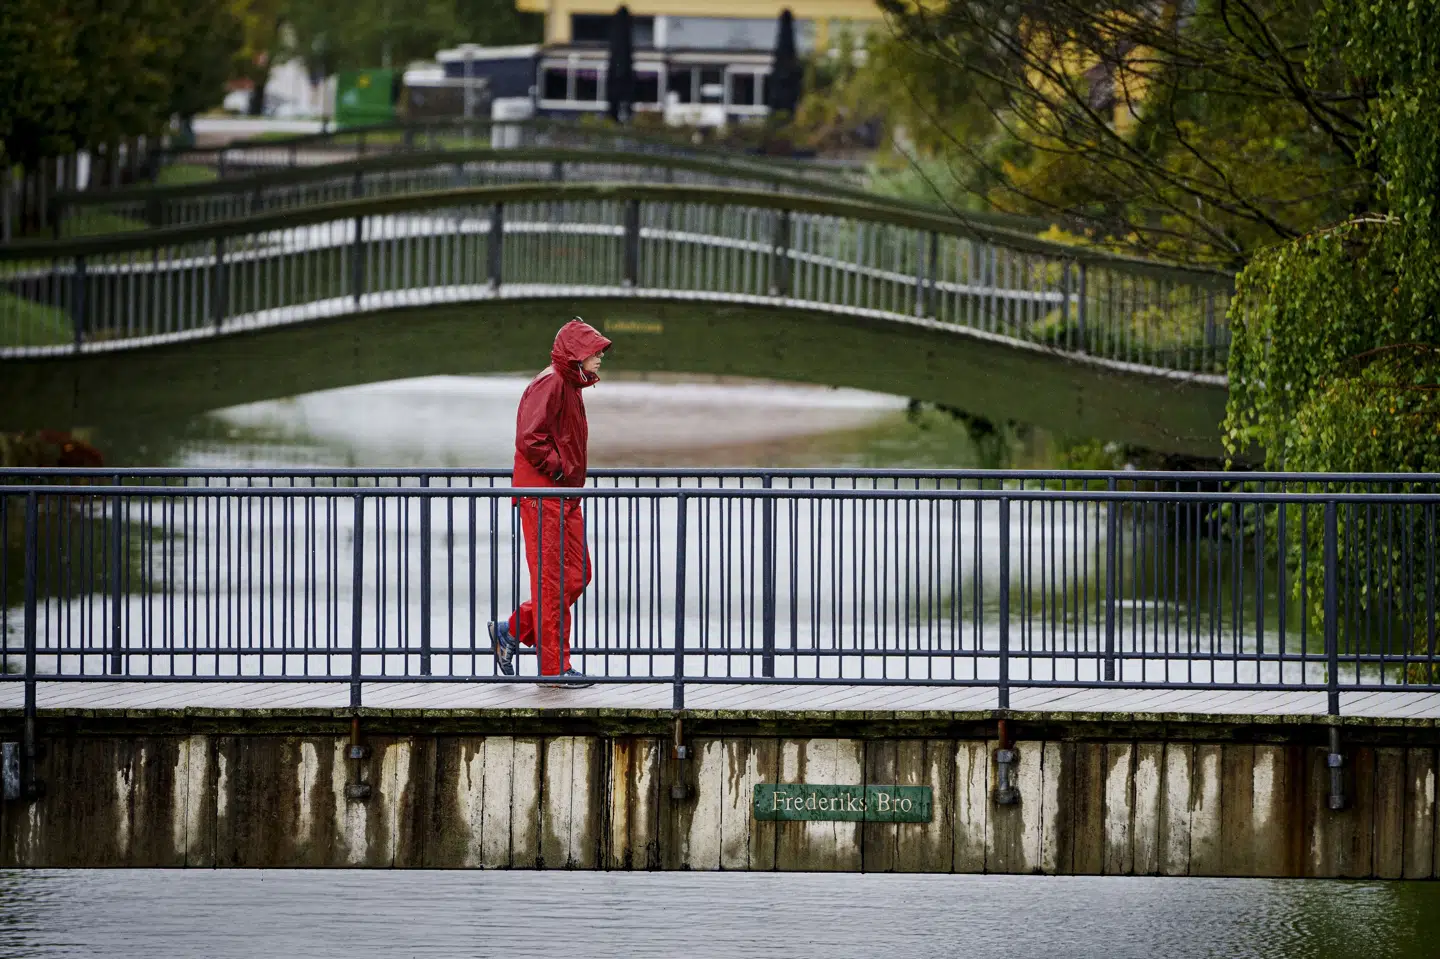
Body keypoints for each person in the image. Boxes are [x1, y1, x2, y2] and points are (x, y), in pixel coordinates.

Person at [488, 317, 612, 688]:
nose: (600, 358)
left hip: (563, 495)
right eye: (595, 351)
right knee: (552, 583)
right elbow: (531, 437)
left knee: (577, 574)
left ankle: (512, 629)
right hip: (545, 497)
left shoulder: (568, 384)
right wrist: (559, 471)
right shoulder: (553, 383)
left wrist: (565, 478)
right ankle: (554, 669)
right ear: (577, 354)